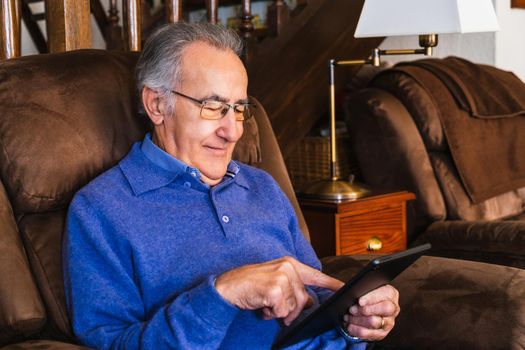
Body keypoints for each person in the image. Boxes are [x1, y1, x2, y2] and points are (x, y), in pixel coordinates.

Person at [62, 22, 400, 349]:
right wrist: (222, 294)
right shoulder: (101, 209)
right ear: (156, 104)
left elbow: (317, 299)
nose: (234, 131)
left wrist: (355, 319)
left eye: (238, 109)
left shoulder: (261, 186)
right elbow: (111, 344)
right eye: (212, 107)